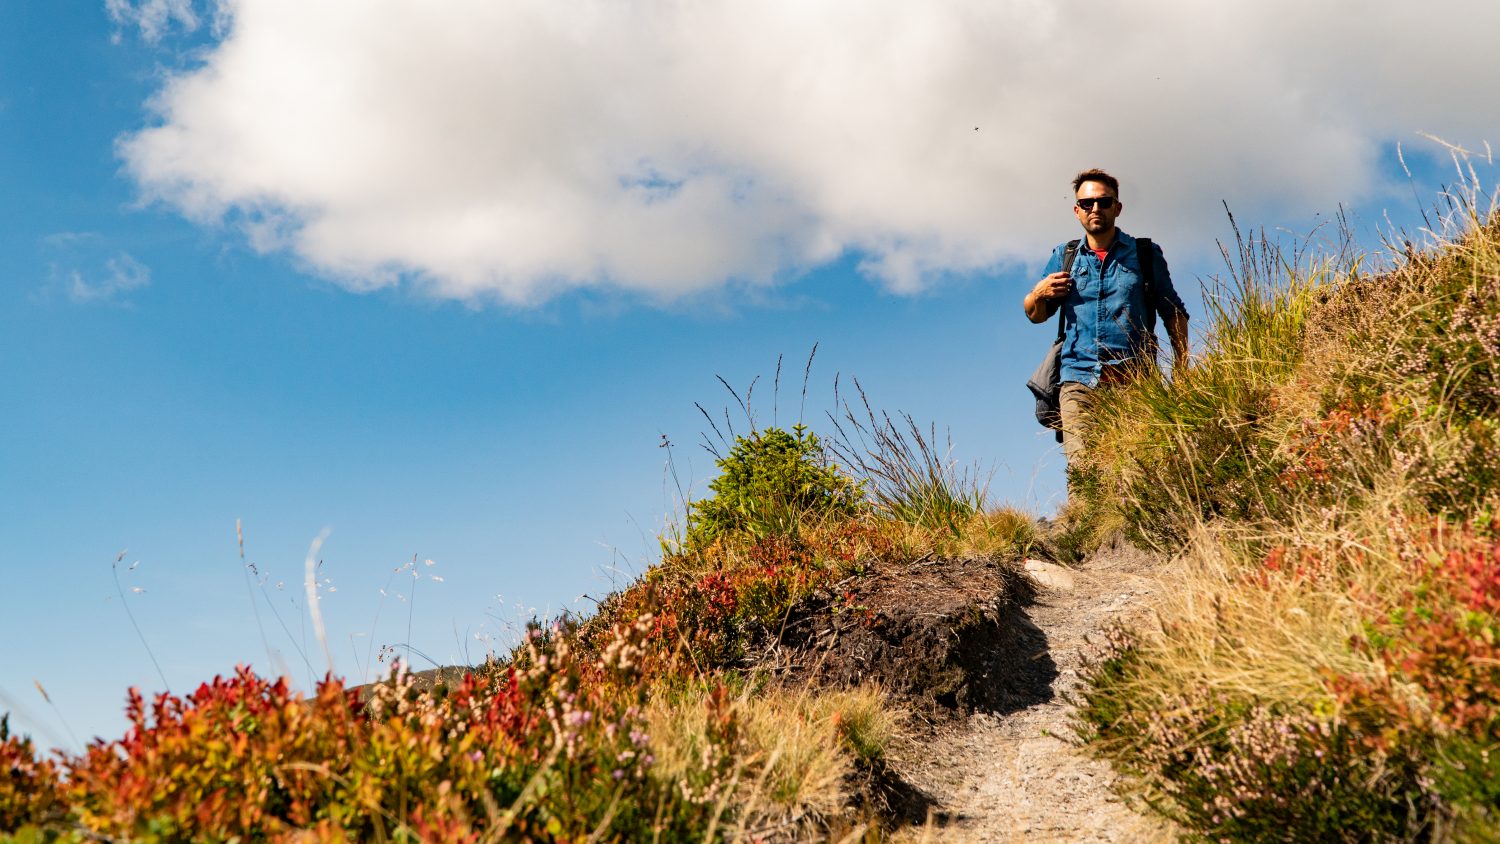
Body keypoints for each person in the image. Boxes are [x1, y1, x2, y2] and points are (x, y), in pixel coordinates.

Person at [1023, 169, 1189, 466]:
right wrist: (1039, 292)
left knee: (1139, 469)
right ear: (1077, 211)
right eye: (1087, 204)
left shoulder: (1145, 254)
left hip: (1136, 379)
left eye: (1103, 201)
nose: (1095, 208)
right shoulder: (1065, 256)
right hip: (1077, 379)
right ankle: (1083, 514)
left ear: (1117, 207)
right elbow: (1035, 315)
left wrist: (1181, 367)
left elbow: (1173, 311)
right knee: (1084, 470)